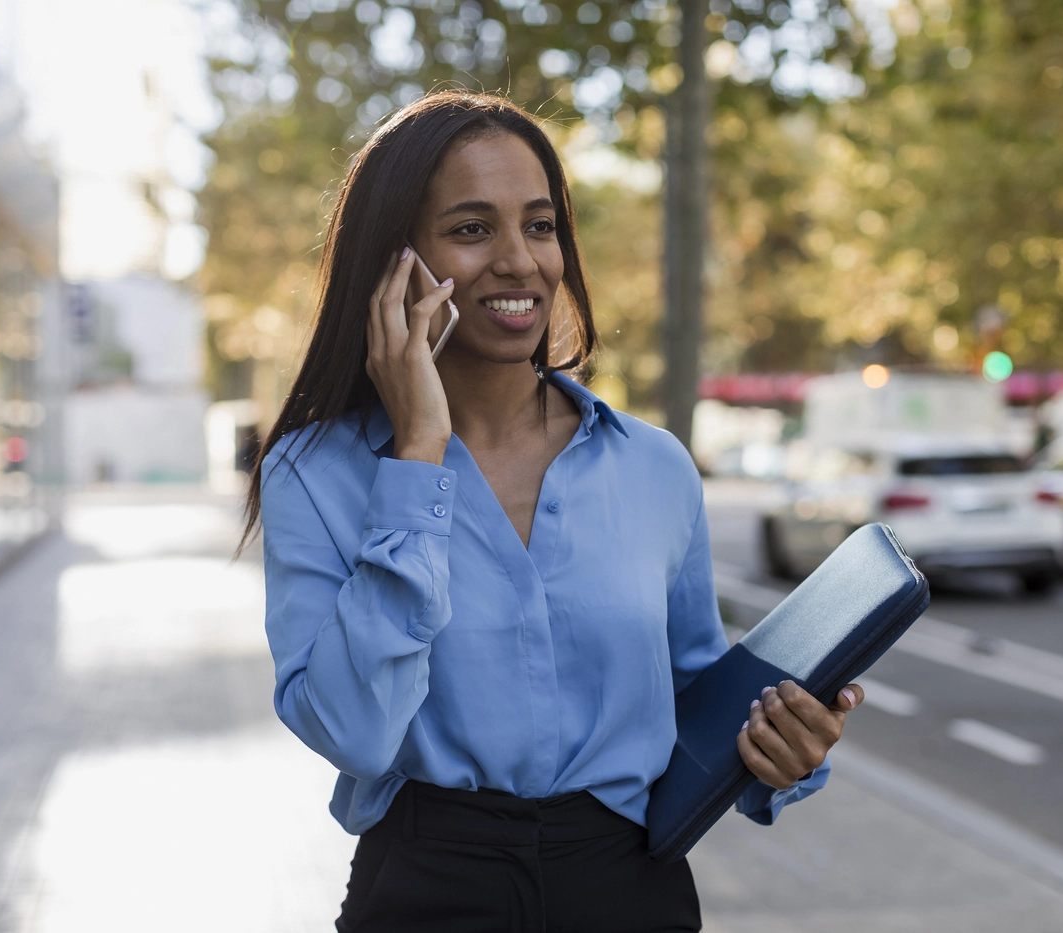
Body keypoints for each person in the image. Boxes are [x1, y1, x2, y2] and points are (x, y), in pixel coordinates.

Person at [246, 90, 864, 933]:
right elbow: (355, 731)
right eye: (471, 229)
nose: (519, 261)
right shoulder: (312, 473)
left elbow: (694, 701)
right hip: (423, 888)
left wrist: (779, 752)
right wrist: (417, 452)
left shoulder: (654, 467)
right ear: (395, 263)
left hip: (628, 888)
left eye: (540, 226)